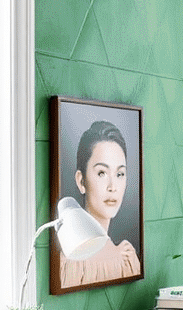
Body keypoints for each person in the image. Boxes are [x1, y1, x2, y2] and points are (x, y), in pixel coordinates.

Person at [59, 120, 141, 288]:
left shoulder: (127, 257)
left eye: (120, 174)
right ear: (81, 181)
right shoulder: (69, 263)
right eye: (102, 173)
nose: (112, 187)